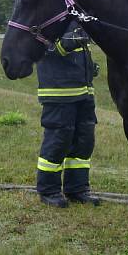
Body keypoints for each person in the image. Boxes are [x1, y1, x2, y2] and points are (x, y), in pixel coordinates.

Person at [34, 20, 102, 207]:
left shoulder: (76, 15)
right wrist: (65, 45)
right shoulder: (49, 14)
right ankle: (49, 190)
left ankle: (77, 189)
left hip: (84, 90)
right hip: (59, 92)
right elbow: (41, 46)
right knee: (58, 140)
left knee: (84, 142)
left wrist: (89, 65)